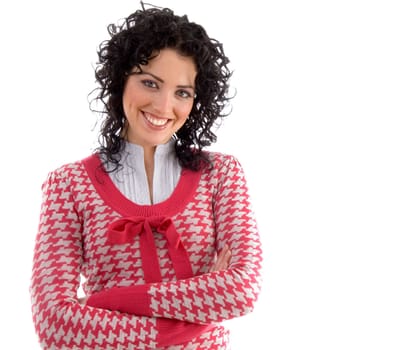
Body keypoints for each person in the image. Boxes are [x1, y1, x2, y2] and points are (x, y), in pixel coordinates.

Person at [29, 3, 262, 349]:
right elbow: (54, 324)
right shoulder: (68, 186)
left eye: (182, 92)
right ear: (121, 78)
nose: (164, 106)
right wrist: (195, 316)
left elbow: (243, 290)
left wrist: (105, 303)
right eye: (150, 83)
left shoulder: (221, 176)